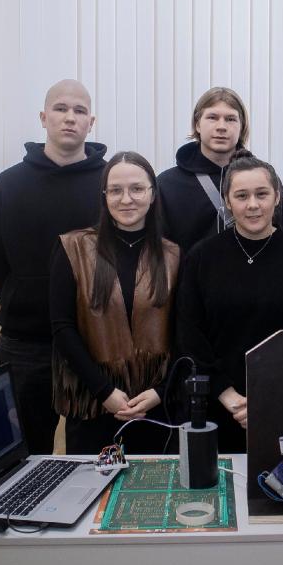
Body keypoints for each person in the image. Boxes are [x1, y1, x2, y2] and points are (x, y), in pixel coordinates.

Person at [0, 79, 106, 454]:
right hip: (25, 345)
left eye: (79, 111)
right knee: (19, 458)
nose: (70, 118)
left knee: (95, 461)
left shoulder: (111, 186)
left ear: (91, 122)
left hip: (94, 346)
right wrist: (25, 300)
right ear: (43, 117)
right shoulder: (7, 186)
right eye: (60, 108)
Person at [176, 150, 283, 453]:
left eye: (262, 194)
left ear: (277, 197)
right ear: (228, 202)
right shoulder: (202, 257)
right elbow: (190, 335)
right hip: (218, 407)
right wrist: (229, 396)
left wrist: (271, 399)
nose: (253, 204)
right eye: (242, 196)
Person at [49, 152, 179, 455]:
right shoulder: (73, 247)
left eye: (137, 189)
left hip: (153, 408)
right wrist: (104, 391)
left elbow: (183, 332)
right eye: (116, 190)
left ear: (152, 195)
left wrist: (161, 392)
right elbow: (62, 328)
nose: (126, 199)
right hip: (93, 404)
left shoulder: (173, 255)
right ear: (104, 196)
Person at [157, 87, 283, 254]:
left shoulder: (265, 179)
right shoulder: (167, 185)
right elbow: (161, 248)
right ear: (197, 124)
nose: (221, 127)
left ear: (242, 126)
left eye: (230, 119)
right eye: (212, 117)